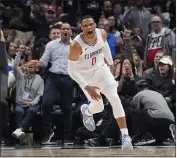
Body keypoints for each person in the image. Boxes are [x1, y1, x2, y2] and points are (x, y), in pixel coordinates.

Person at [67, 15, 133, 150]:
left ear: (95, 25)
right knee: (99, 107)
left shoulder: (102, 33)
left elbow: (105, 47)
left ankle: (125, 136)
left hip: (101, 70)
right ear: (81, 28)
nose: (89, 28)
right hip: (86, 77)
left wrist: (110, 63)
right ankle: (87, 111)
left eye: (91, 24)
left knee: (115, 98)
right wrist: (86, 86)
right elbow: (71, 71)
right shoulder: (76, 45)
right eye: (85, 26)